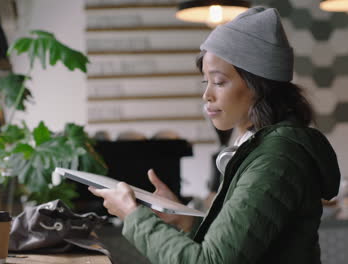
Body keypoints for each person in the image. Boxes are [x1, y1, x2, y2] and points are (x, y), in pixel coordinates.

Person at [89, 6, 341, 264]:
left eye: (219, 82)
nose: (207, 95)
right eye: (205, 82)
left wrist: (132, 215)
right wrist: (184, 218)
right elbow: (241, 247)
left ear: (258, 85)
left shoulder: (276, 161)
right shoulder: (258, 149)